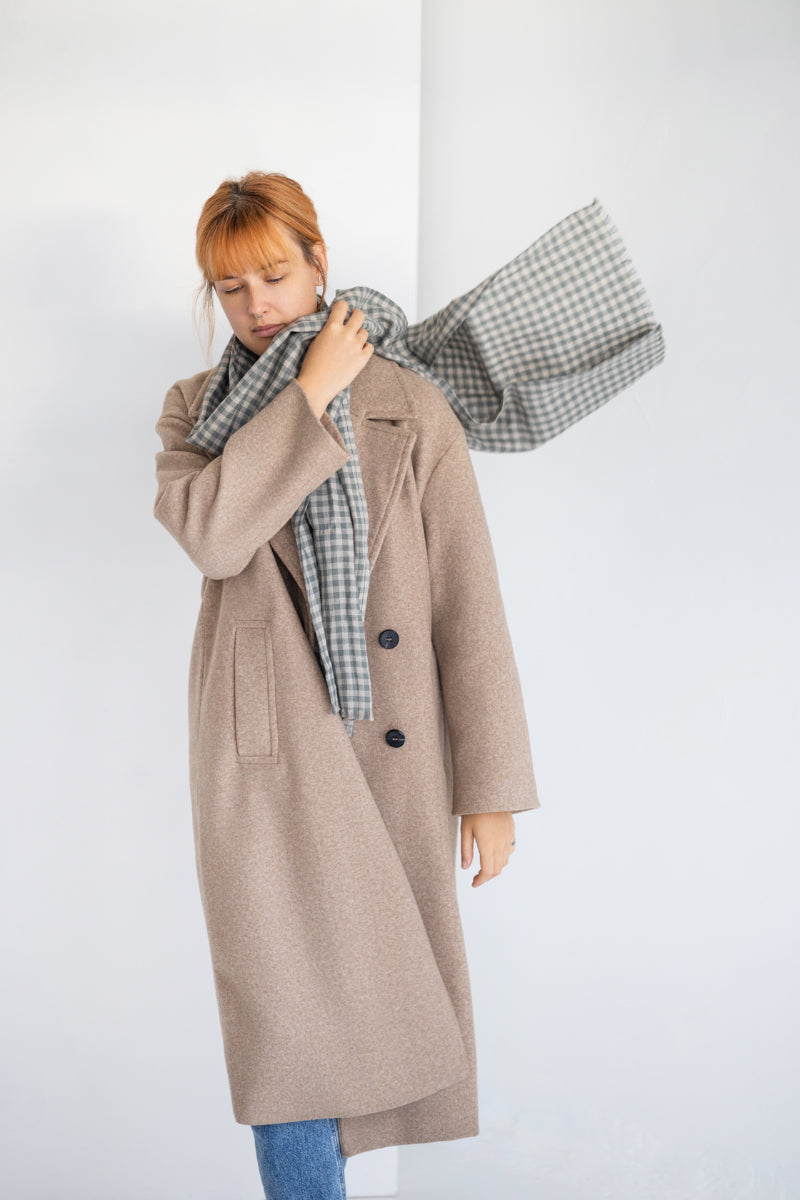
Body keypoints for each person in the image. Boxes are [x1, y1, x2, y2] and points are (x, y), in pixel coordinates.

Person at [153, 171, 541, 1200]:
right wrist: (308, 392)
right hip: (267, 757)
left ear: (319, 263)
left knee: (367, 1033)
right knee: (285, 1042)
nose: (255, 305)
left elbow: (467, 601)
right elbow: (211, 533)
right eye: (229, 289)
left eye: (274, 276)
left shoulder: (412, 403)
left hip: (387, 749)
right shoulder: (197, 410)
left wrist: (489, 787)